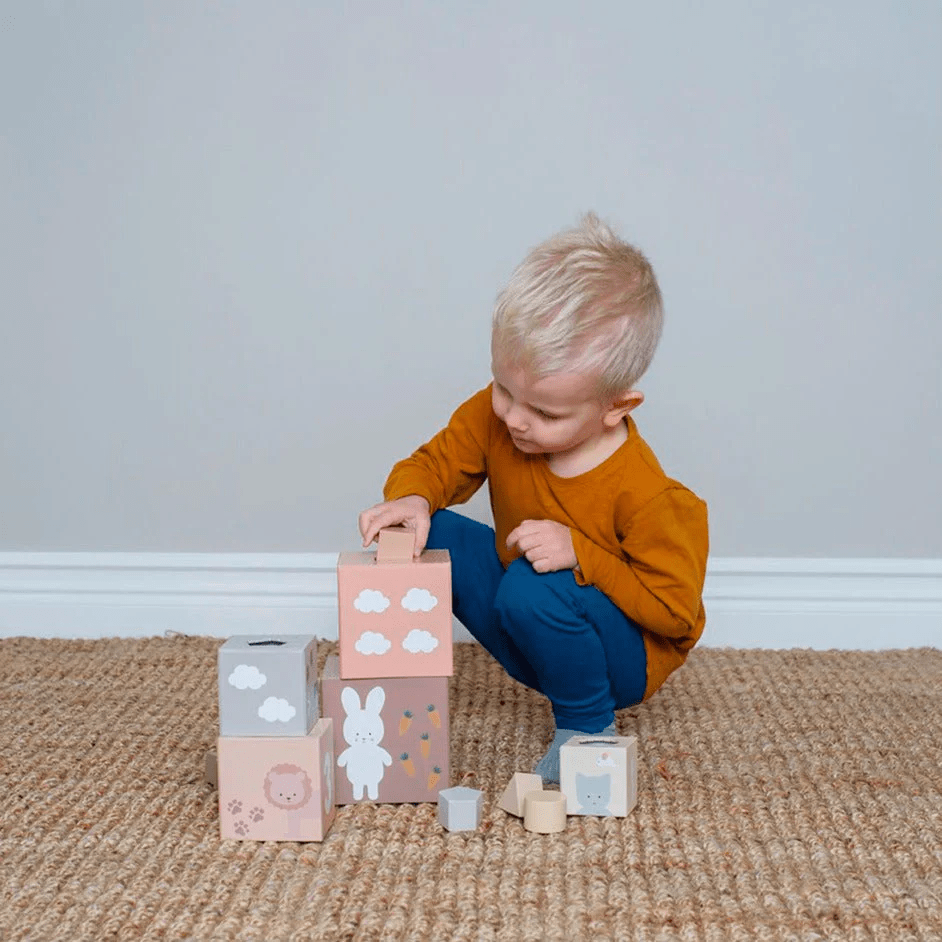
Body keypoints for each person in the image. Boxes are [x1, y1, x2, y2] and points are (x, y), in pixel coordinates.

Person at [358, 213, 708, 784]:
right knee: (434, 532)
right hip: (527, 622)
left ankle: (586, 727)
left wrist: (582, 554)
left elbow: (675, 614)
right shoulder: (504, 417)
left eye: (544, 412)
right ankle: (391, 684)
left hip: (620, 659)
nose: (515, 419)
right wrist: (414, 498)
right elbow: (436, 461)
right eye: (503, 389)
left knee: (532, 582)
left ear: (616, 408)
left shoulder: (648, 495)